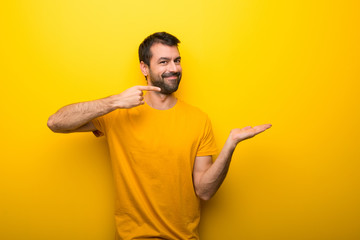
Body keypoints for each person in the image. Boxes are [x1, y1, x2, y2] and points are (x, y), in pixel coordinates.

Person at [47, 32, 272, 240]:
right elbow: (56, 123)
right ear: (144, 68)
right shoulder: (117, 113)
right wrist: (114, 102)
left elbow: (204, 191)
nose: (173, 68)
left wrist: (230, 145)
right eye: (163, 62)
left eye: (177, 60)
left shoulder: (198, 119)